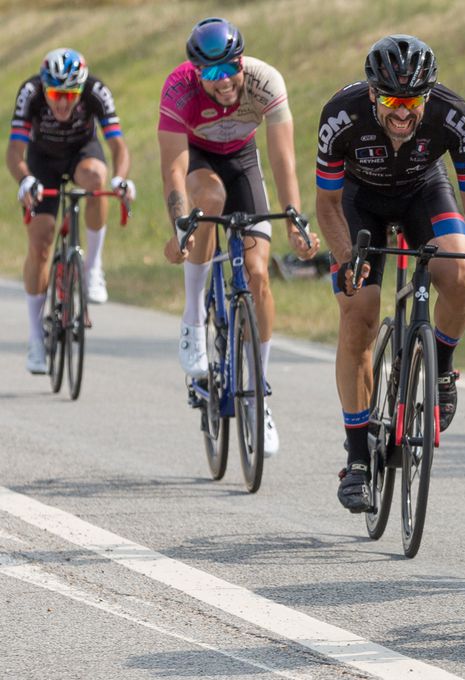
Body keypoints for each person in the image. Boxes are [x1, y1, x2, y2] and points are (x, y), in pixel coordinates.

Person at [315, 34, 465, 513]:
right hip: (358, 202)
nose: (402, 112)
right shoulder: (340, 115)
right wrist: (346, 259)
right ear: (372, 95)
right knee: (358, 314)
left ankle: (441, 371)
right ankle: (359, 458)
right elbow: (325, 203)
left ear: (427, 95)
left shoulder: (453, 114)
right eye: (391, 101)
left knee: (461, 280)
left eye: (412, 101)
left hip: (425, 190)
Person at [158, 17, 320, 457]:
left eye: (230, 67)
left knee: (257, 273)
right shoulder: (178, 90)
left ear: (241, 60)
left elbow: (283, 159)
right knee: (208, 198)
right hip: (200, 161)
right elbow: (173, 167)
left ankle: (259, 397)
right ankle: (193, 319)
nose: (224, 80)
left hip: (244, 161)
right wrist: (181, 226)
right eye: (211, 74)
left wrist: (294, 221)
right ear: (196, 73)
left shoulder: (266, 81)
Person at [7, 48, 134, 374]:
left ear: (79, 90)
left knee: (97, 178)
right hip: (42, 162)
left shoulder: (95, 91)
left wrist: (120, 178)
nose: (62, 103)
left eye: (68, 95)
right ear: (45, 88)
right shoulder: (30, 92)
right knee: (40, 244)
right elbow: (14, 150)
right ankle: (36, 340)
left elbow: (118, 145)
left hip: (81, 153)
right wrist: (25, 180)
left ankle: (92, 269)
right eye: (55, 94)